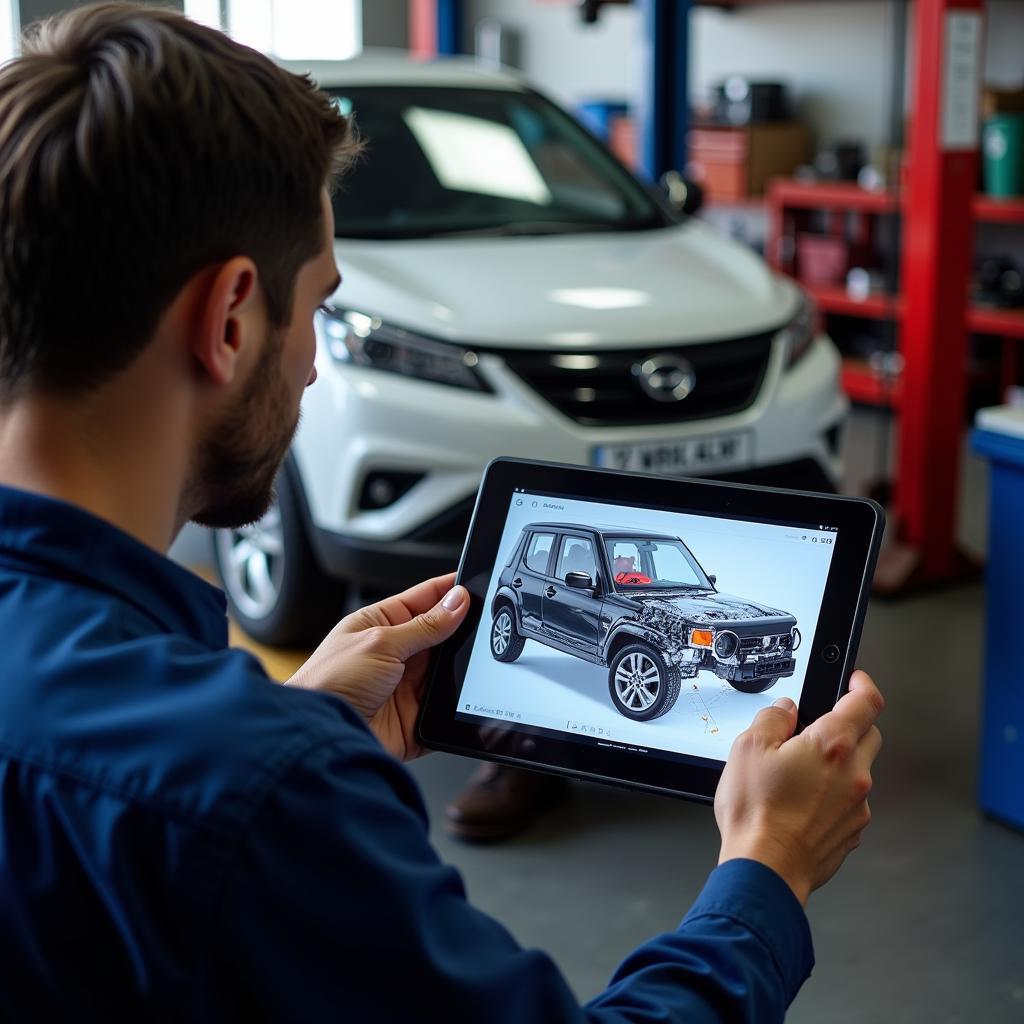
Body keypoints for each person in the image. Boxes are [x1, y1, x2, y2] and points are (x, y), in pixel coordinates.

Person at [0, 5, 884, 1020]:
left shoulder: (224, 763)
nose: (316, 361)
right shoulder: (255, 790)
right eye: (319, 306)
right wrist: (766, 871)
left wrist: (308, 722)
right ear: (232, 318)